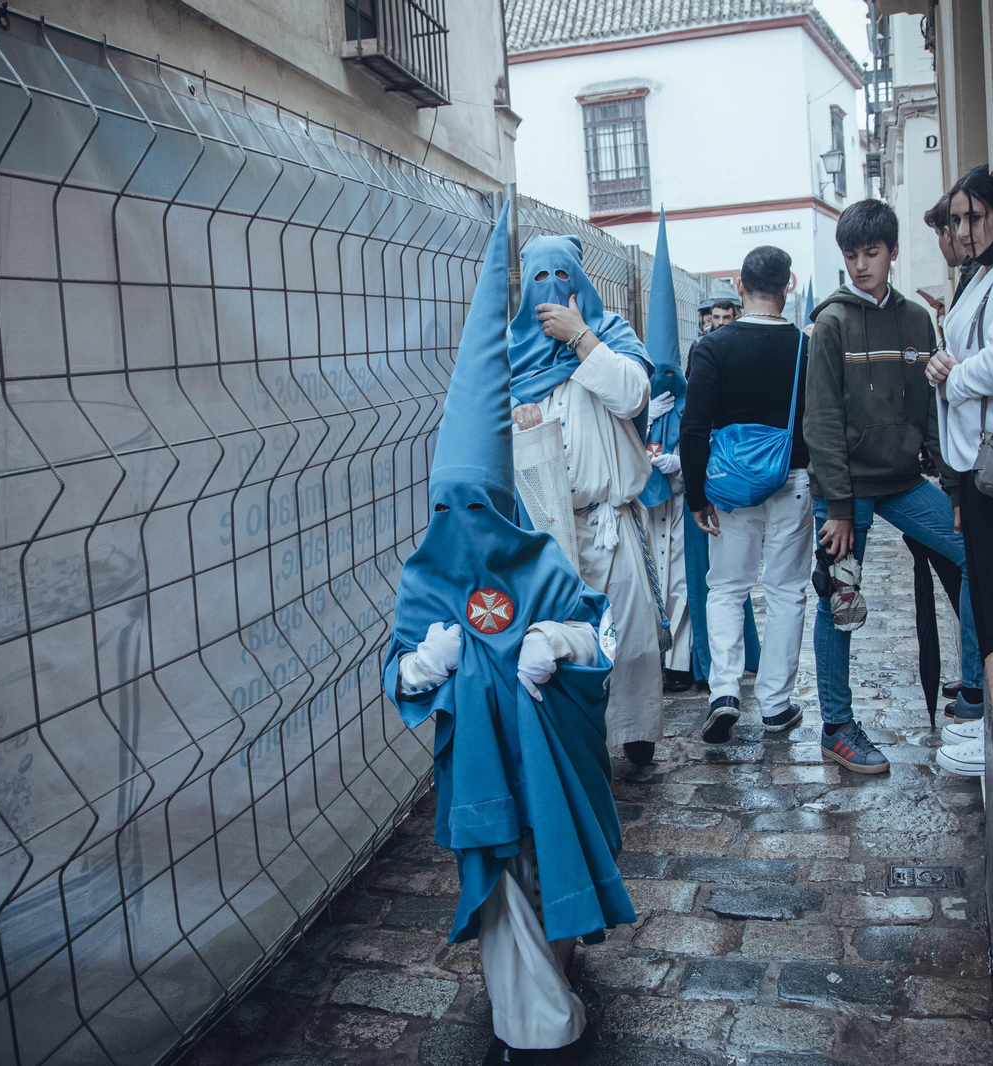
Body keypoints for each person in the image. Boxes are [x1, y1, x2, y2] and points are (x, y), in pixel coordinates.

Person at [383, 206, 635, 1065]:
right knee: (503, 884)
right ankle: (530, 1017)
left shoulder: (536, 563)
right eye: (445, 507)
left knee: (545, 862)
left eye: (476, 507)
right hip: (480, 769)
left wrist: (559, 644)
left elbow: (598, 630)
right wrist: (423, 663)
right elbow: (400, 671)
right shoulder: (428, 573)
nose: (461, 523)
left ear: (503, 507)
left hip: (549, 757)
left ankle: (556, 968)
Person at [804, 199, 985, 773]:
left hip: (904, 482)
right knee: (839, 596)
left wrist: (955, 490)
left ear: (893, 253)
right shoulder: (829, 324)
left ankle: (976, 694)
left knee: (974, 549)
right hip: (846, 492)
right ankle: (837, 726)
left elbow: (932, 411)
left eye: (871, 253)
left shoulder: (913, 321)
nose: (861, 265)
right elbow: (822, 420)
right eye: (851, 254)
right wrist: (835, 505)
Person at [508, 235, 664, 769]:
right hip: (552, 530)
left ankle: (637, 731)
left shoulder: (612, 335)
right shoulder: (514, 355)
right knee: (567, 640)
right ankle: (579, 744)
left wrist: (582, 339)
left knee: (632, 641)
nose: (551, 291)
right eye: (539, 281)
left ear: (581, 281)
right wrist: (520, 430)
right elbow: (498, 443)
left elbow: (632, 396)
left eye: (562, 278)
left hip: (610, 524)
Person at [680, 246, 812, 742]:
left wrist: (697, 496)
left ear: (739, 285)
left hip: (729, 488)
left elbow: (693, 429)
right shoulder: (803, 346)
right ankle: (776, 705)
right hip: (791, 479)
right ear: (789, 285)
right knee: (785, 591)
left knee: (727, 589)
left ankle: (725, 693)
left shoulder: (712, 347)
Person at [927, 164, 993, 777]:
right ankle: (985, 721)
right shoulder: (979, 275)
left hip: (990, 453)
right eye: (957, 220)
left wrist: (951, 376)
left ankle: (988, 726)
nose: (963, 229)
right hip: (968, 454)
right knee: (980, 580)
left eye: (972, 216)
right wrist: (942, 366)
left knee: (989, 589)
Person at [638, 217, 695, 695]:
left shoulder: (690, 399)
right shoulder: (637, 400)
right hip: (643, 502)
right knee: (645, 579)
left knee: (679, 580)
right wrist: (643, 422)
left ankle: (679, 661)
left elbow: (703, 440)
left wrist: (680, 462)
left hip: (677, 503)